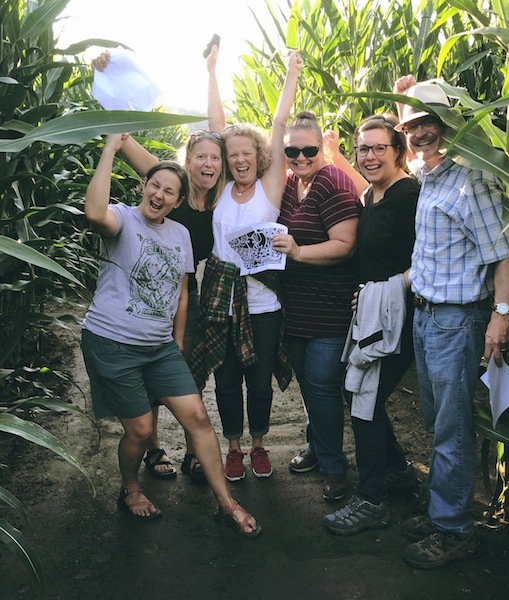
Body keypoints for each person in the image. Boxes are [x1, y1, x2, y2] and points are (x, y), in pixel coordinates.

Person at [81, 134, 260, 538]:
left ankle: (225, 502)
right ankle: (130, 488)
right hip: (113, 341)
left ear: (178, 202)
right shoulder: (121, 218)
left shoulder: (179, 233)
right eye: (155, 186)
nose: (159, 194)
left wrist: (177, 340)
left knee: (197, 415)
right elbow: (94, 212)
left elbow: (182, 291)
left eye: (169, 191)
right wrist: (110, 148)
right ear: (144, 186)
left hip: (160, 347)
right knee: (141, 431)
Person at [392, 77, 509, 568]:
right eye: (411, 126)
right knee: (434, 419)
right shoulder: (428, 177)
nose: (419, 133)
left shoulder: (471, 181)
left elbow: (506, 254)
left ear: (447, 124)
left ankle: (453, 529)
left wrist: (499, 317)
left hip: (456, 321)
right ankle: (442, 508)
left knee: (451, 427)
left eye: (428, 122)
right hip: (426, 317)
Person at [91, 49, 225, 484]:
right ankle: (152, 449)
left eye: (214, 158)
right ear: (187, 162)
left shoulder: (220, 198)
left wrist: (211, 71)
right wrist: (109, 79)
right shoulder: (171, 185)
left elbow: (219, 130)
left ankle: (193, 453)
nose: (207, 164)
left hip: (189, 292)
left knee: (186, 375)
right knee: (146, 376)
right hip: (147, 298)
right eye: (199, 157)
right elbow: (124, 138)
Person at [189, 49, 302, 481]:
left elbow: (277, 125)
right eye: (231, 153)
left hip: (262, 299)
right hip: (223, 295)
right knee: (226, 379)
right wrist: (213, 70)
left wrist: (291, 74)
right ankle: (232, 447)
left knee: (259, 380)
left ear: (258, 156)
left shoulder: (269, 188)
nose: (238, 160)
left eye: (245, 153)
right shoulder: (219, 190)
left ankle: (258, 444)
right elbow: (216, 123)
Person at [320, 113, 420, 534]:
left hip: (398, 317)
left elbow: (430, 256)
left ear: (399, 151)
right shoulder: (372, 196)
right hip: (374, 316)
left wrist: (387, 289)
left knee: (363, 401)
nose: (371, 155)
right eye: (364, 148)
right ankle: (396, 470)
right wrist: (336, 154)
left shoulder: (410, 195)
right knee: (358, 393)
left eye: (381, 147)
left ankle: (372, 499)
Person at [271, 111, 362, 501]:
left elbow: (345, 245)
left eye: (309, 149)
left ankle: (335, 467)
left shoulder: (334, 182)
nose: (300, 157)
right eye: (292, 150)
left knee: (323, 387)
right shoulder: (291, 183)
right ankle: (317, 446)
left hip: (330, 311)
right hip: (297, 311)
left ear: (322, 147)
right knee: (310, 387)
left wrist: (299, 252)